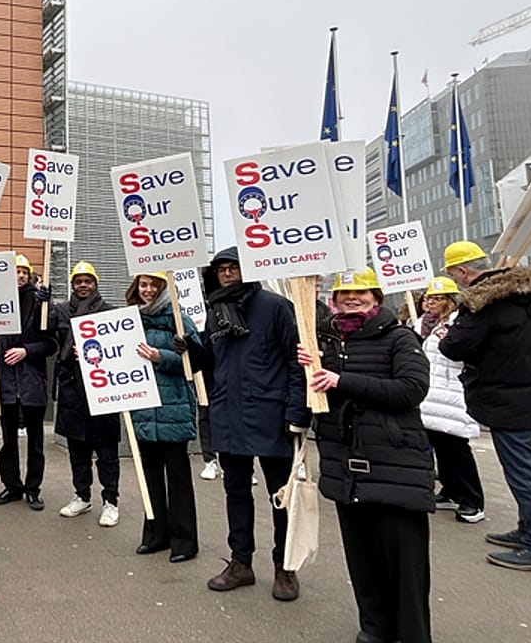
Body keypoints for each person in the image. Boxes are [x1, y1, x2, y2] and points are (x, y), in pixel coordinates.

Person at [299, 268, 434, 643]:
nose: (352, 299)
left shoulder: (399, 337)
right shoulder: (323, 341)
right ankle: (374, 627)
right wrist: (307, 370)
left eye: (360, 292)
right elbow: (315, 400)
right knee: (362, 558)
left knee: (405, 563)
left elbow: (411, 389)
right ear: (333, 301)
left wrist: (341, 380)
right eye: (344, 294)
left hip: (395, 464)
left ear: (376, 297)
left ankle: (413, 635)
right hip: (346, 465)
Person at [437, 241, 531, 574]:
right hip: (530, 389)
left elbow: (454, 347)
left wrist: (449, 334)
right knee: (523, 466)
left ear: (463, 271)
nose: (455, 281)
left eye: (453, 274)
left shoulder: (480, 301)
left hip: (507, 395)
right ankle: (528, 530)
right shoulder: (523, 293)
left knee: (522, 470)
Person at [193, 246, 308, 602]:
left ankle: (285, 566)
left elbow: (297, 361)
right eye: (222, 269)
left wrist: (297, 412)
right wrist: (189, 347)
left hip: (271, 415)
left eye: (234, 267)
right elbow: (210, 360)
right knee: (236, 493)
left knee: (281, 495)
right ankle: (241, 563)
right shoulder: (215, 312)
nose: (228, 273)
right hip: (229, 415)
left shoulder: (275, 306)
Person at [125, 272, 199, 563]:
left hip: (173, 409)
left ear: (164, 288)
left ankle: (185, 542)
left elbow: (196, 361)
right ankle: (155, 535)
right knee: (151, 476)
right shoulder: (130, 320)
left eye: (154, 285)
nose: (148, 290)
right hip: (143, 409)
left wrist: (162, 357)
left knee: (178, 478)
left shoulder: (179, 319)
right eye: (143, 284)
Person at [0, 253, 58, 511]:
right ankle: (12, 486)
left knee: (35, 442)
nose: (19, 276)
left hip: (31, 383)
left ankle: (33, 489)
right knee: (8, 441)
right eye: (15, 271)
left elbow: (51, 343)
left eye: (23, 272)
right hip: (6, 384)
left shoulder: (39, 302)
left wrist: (27, 351)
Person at [53, 261, 122, 527]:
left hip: (102, 391)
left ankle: (111, 501)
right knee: (77, 452)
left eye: (88, 281)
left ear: (95, 284)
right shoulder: (60, 312)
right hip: (72, 391)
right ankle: (82, 496)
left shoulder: (109, 312)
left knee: (107, 454)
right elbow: (45, 334)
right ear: (72, 285)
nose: (83, 285)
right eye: (78, 281)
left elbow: (119, 349)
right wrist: (41, 302)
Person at [416, 276, 486, 524]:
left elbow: (461, 351)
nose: (431, 303)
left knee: (457, 449)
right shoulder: (424, 323)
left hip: (453, 394)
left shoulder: (460, 322)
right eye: (429, 298)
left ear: (450, 300)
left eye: (437, 298)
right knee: (441, 447)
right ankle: (450, 490)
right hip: (432, 394)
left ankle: (472, 500)